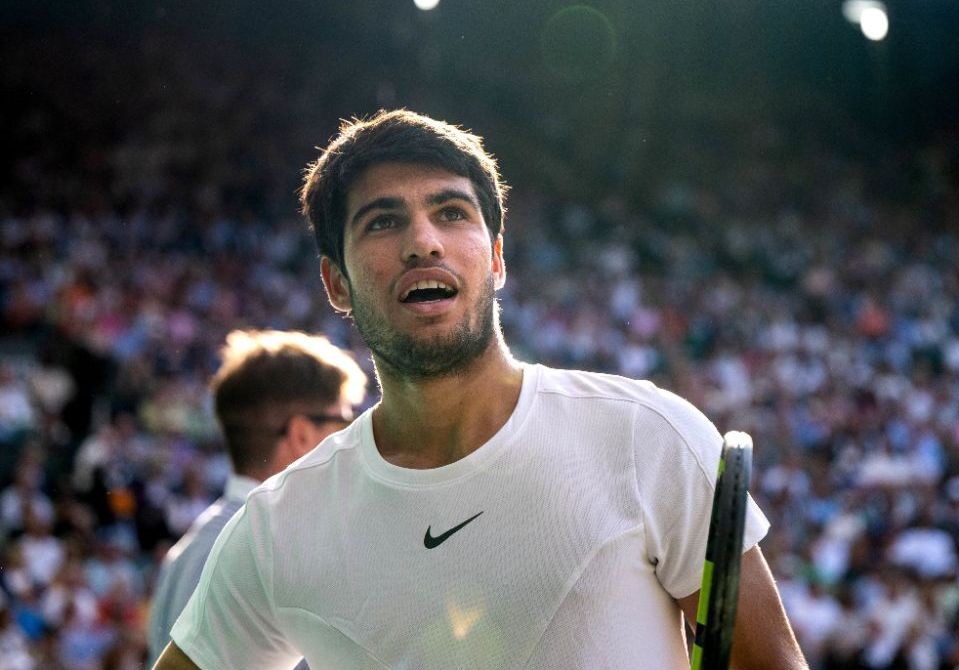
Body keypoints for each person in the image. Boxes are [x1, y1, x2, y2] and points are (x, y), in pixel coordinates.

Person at [154, 110, 807, 669]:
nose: (423, 242)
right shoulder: (278, 526)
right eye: (382, 222)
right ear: (336, 283)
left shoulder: (649, 436)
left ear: (496, 256)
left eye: (451, 212)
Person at [146, 330, 366, 666]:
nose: (351, 438)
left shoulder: (203, 544)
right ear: (301, 435)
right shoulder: (254, 549)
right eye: (343, 421)